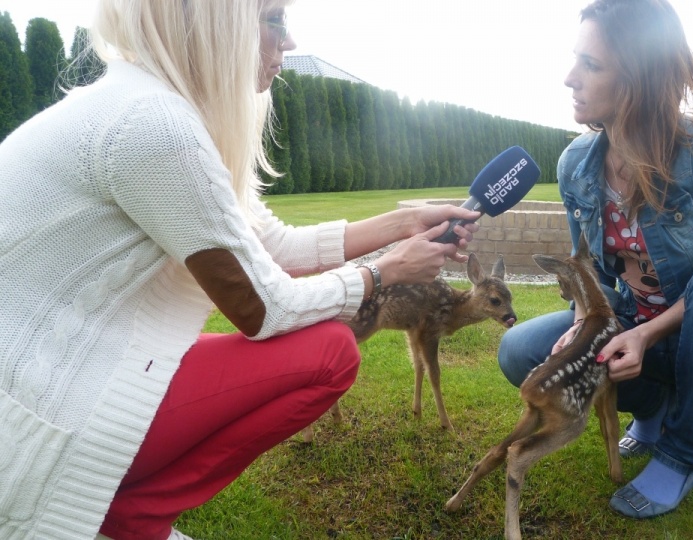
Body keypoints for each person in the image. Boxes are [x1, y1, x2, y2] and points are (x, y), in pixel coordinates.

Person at [0, 1, 480, 539]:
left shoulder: (148, 106)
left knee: (326, 346)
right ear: (218, 21)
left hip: (80, 365)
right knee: (330, 353)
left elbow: (274, 244)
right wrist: (382, 273)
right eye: (273, 19)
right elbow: (263, 308)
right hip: (33, 419)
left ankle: (129, 513)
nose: (288, 41)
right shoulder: (152, 126)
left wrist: (405, 222)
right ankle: (135, 516)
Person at [497, 0, 693, 520]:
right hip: (629, 323)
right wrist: (581, 323)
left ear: (640, 80)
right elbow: (587, 272)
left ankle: (682, 452)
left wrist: (646, 335)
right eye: (575, 59)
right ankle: (649, 411)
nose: (569, 78)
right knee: (520, 350)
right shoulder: (576, 164)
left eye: (591, 65)